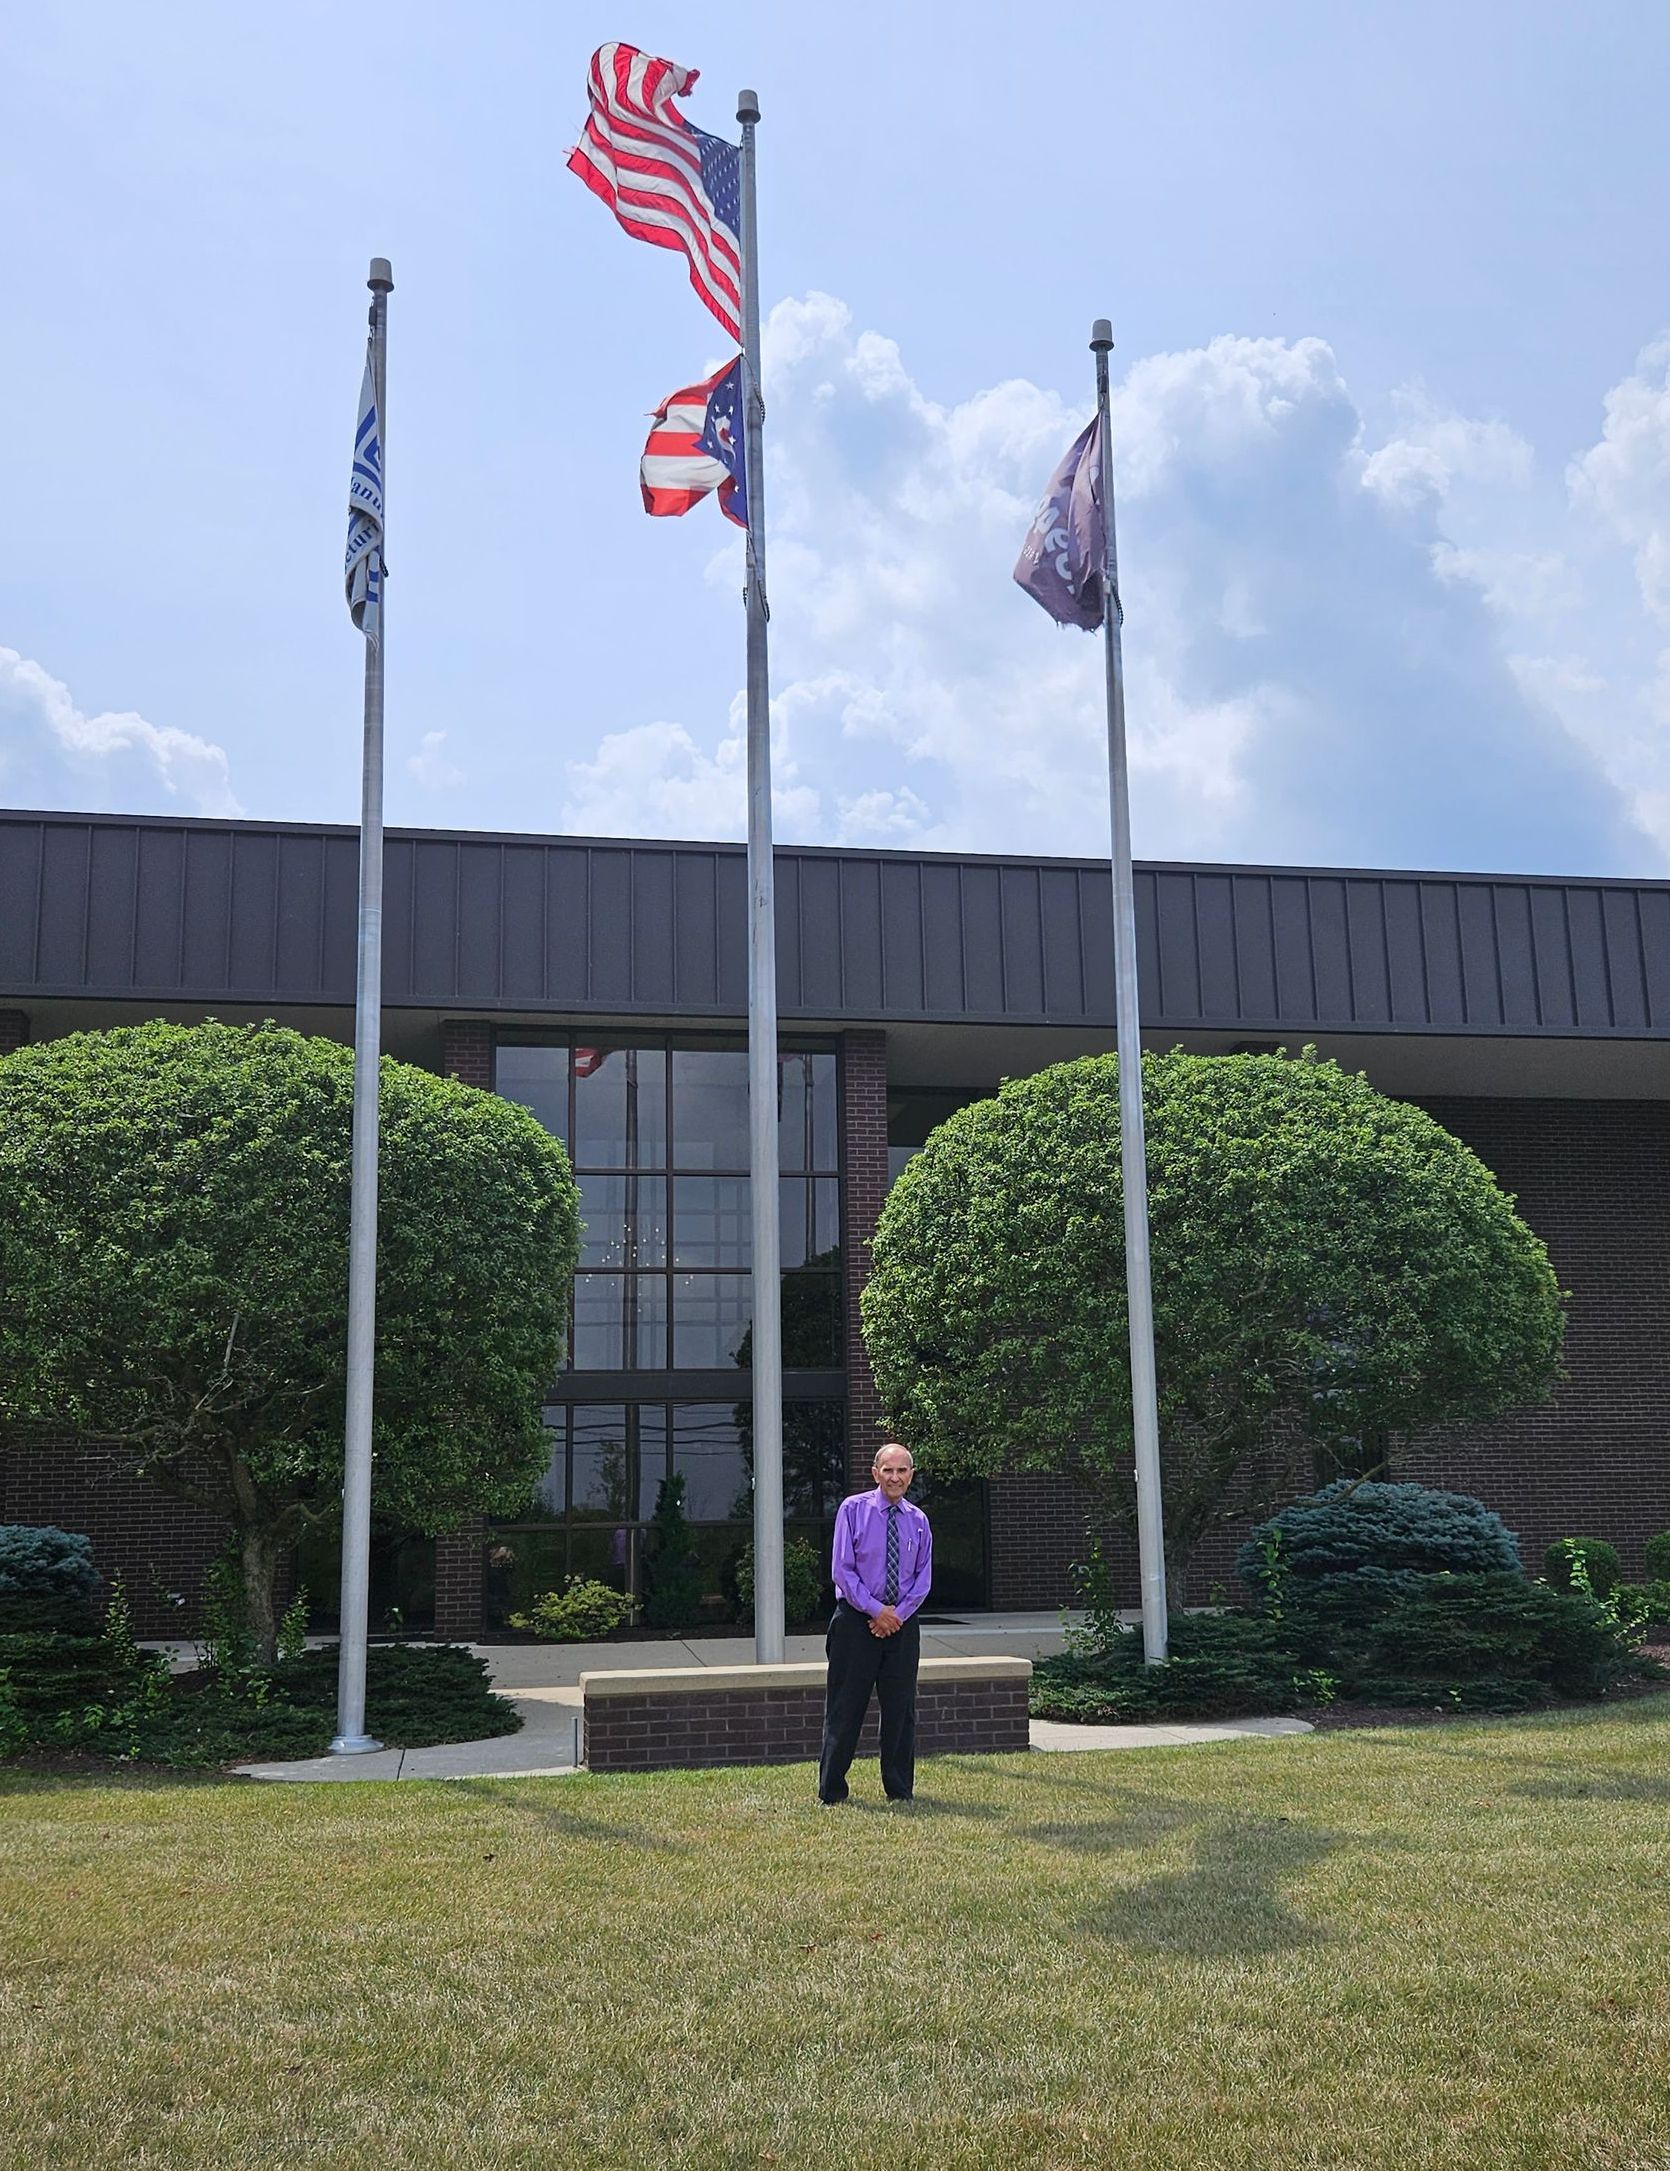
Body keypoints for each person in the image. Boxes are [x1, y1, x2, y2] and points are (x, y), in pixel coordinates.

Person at [819, 1443, 932, 1805]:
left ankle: (899, 1790)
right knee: (846, 1707)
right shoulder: (852, 1510)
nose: (894, 1477)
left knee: (901, 1710)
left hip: (902, 1624)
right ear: (875, 1473)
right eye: (888, 1470)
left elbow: (922, 1579)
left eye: (902, 1471)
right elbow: (842, 1569)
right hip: (855, 1623)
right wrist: (874, 1610)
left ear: (911, 1476)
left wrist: (895, 1615)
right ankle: (832, 1790)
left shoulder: (919, 1520)